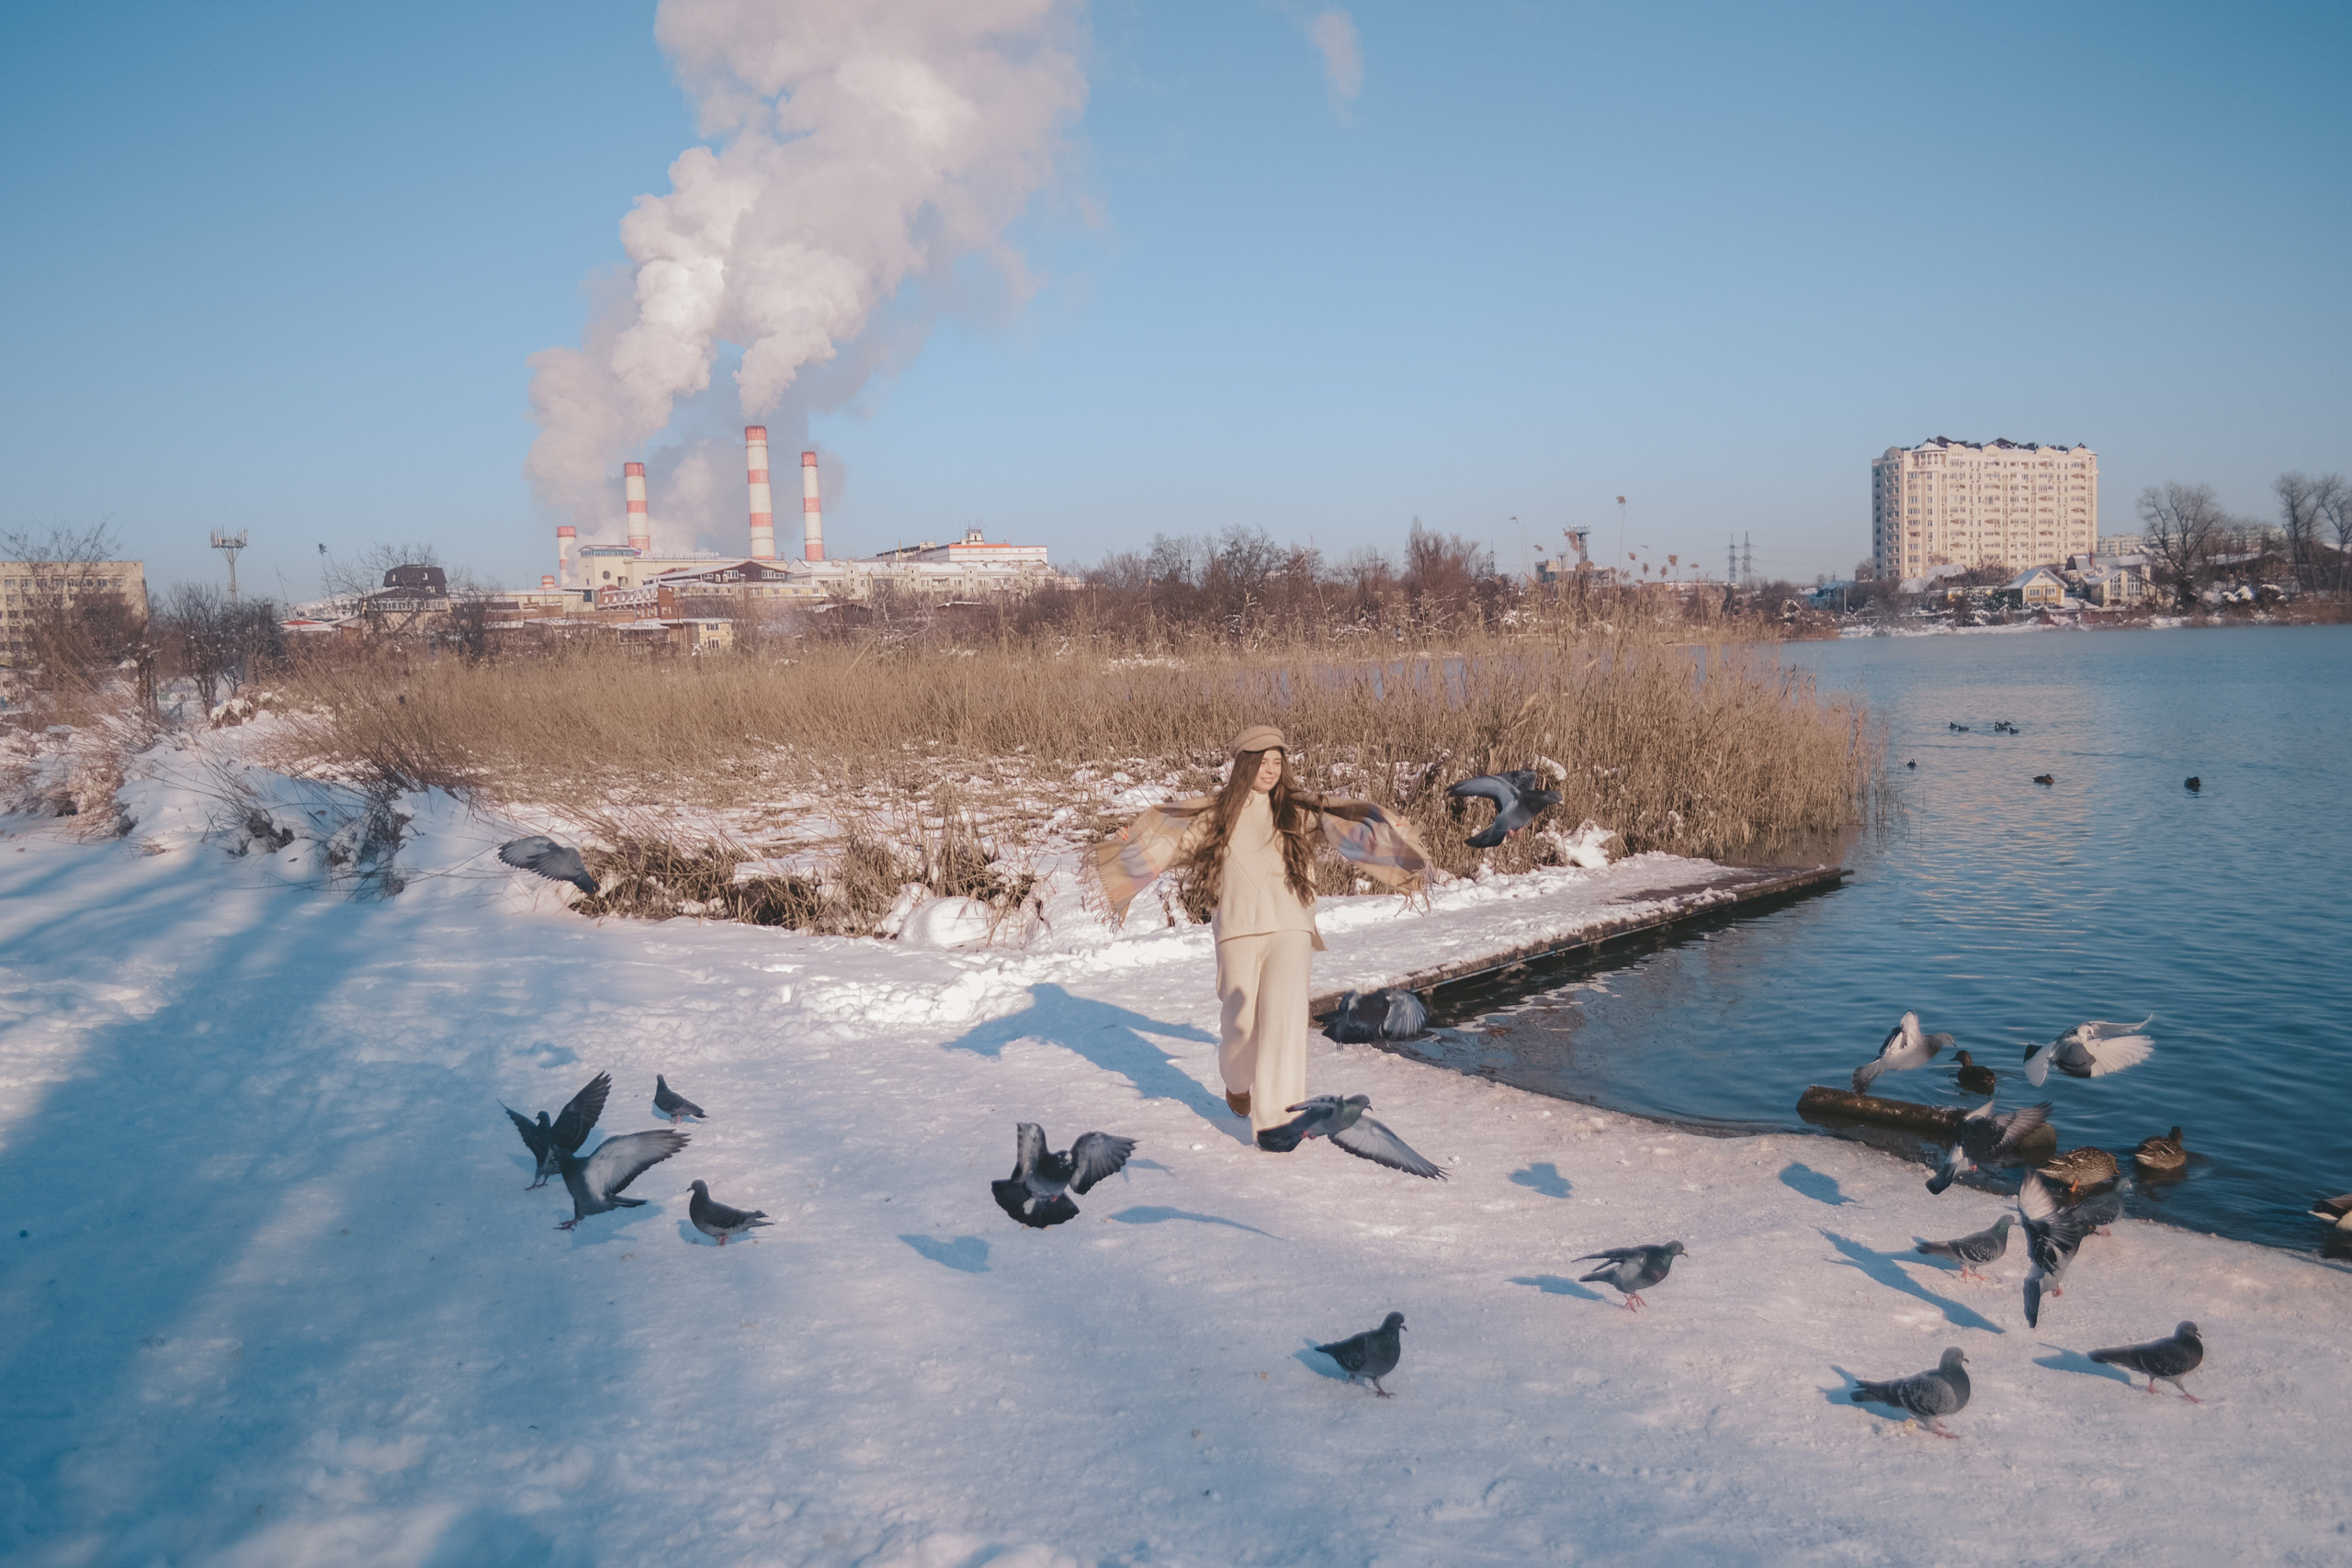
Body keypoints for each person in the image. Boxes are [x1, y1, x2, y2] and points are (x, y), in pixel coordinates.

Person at [1091, 724, 1430, 1143]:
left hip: (1290, 925)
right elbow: (1168, 844)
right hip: (1237, 931)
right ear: (1244, 764)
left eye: (1277, 762)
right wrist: (1126, 853)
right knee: (1240, 1025)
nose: (1271, 770)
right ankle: (1237, 1084)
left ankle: (1279, 1124)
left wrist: (1394, 837)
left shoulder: (1298, 810)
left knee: (1284, 1024)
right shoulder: (1217, 816)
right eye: (1262, 762)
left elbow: (1348, 828)